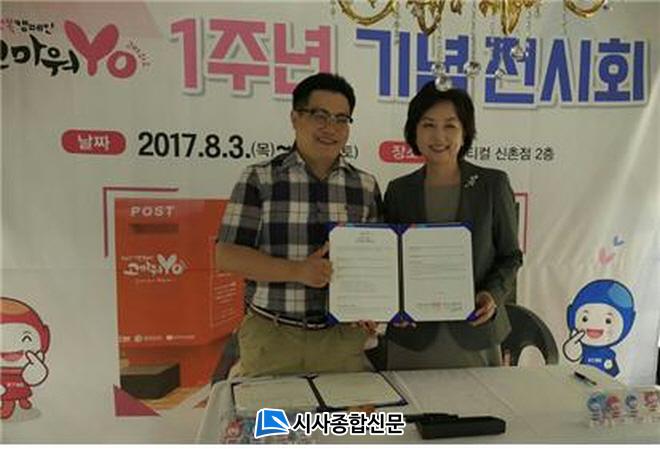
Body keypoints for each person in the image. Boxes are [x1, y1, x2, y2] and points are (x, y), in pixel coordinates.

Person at [216, 73, 382, 377]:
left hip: (341, 341)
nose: (331, 128)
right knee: (271, 411)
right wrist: (298, 271)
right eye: (320, 115)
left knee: (341, 410)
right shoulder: (260, 178)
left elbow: (377, 263)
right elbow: (226, 256)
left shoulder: (365, 186)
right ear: (295, 118)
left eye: (341, 119)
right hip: (272, 338)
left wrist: (374, 305)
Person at [381, 83, 523, 369]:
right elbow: (387, 261)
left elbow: (510, 256)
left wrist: (492, 295)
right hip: (412, 335)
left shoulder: (492, 185)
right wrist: (393, 304)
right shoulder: (398, 190)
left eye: (450, 125)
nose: (439, 136)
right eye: (428, 125)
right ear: (414, 131)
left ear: (465, 132)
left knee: (477, 399)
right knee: (408, 399)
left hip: (474, 331)